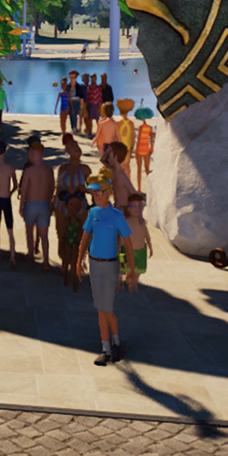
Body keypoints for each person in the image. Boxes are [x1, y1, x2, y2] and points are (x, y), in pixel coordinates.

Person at [77, 178, 132, 365]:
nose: (96, 196)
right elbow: (85, 237)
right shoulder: (93, 213)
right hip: (94, 263)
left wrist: (131, 270)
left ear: (108, 192)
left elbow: (128, 244)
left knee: (105, 307)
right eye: (93, 193)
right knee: (100, 307)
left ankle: (110, 346)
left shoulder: (117, 216)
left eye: (100, 192)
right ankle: (110, 345)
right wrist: (79, 261)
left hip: (110, 265)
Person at [54, 135, 91, 289]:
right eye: (72, 145)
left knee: (80, 239)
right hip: (62, 207)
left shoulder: (85, 169)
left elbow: (93, 189)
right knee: (62, 236)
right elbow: (57, 189)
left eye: (76, 144)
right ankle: (64, 264)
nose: (76, 147)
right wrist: (53, 203)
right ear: (66, 150)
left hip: (80, 208)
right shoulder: (62, 168)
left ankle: (76, 266)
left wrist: (84, 189)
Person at [18, 138, 53, 269]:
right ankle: (46, 260)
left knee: (29, 230)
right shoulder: (48, 170)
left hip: (31, 204)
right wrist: (49, 202)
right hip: (44, 204)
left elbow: (24, 189)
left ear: (33, 155)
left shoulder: (29, 171)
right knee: (44, 235)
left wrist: (21, 205)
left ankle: (31, 254)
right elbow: (51, 187)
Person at [131, 109, 156, 188]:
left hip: (140, 149)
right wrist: (151, 148)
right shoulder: (149, 127)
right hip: (146, 149)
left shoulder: (140, 127)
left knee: (139, 170)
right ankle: (151, 186)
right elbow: (151, 140)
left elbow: (138, 140)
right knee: (147, 169)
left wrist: (136, 151)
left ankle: (139, 188)